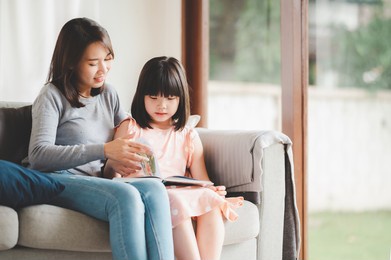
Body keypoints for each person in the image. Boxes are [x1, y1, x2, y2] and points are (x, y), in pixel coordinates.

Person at [19, 18, 174, 260]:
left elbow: (124, 126)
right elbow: (39, 155)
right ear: (70, 62)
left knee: (155, 188)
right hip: (57, 180)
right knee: (125, 196)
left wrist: (119, 154)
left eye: (108, 59)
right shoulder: (51, 96)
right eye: (93, 63)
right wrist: (104, 150)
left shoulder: (109, 94)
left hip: (97, 180)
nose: (103, 69)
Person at [104, 56, 243, 260]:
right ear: (141, 96)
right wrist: (114, 165)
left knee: (211, 200)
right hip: (151, 195)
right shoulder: (130, 128)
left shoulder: (188, 136)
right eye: (153, 97)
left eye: (170, 98)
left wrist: (212, 189)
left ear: (181, 98)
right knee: (174, 201)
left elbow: (201, 180)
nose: (162, 106)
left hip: (179, 191)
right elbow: (110, 176)